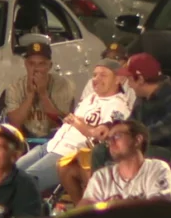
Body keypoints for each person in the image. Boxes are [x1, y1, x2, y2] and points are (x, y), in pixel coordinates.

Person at [16, 59, 131, 193]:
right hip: (51, 145)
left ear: (118, 79)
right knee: (8, 173)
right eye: (94, 75)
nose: (96, 79)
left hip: (67, 154)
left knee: (25, 183)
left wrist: (78, 124)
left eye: (103, 75)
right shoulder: (91, 98)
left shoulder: (118, 106)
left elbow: (101, 138)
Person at [91, 53, 171, 179]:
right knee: (100, 151)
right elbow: (130, 124)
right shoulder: (142, 99)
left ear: (140, 79)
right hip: (147, 149)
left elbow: (169, 128)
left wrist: (133, 139)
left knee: (136, 155)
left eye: (130, 79)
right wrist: (110, 128)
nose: (129, 85)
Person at [78, 120, 171, 207]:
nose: (111, 142)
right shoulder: (101, 176)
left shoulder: (156, 168)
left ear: (137, 140)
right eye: (109, 139)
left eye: (117, 136)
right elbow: (83, 211)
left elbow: (159, 207)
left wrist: (114, 205)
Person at [4, 41, 76, 139]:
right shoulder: (15, 87)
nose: (36, 69)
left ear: (49, 66)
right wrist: (30, 95)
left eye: (41, 64)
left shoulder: (64, 85)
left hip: (55, 139)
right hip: (24, 138)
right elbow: (14, 124)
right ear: (26, 64)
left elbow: (61, 123)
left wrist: (43, 94)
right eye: (31, 63)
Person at [79, 43, 136, 108]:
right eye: (108, 59)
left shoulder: (132, 84)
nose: (111, 64)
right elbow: (83, 107)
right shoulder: (94, 82)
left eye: (117, 59)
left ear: (126, 63)